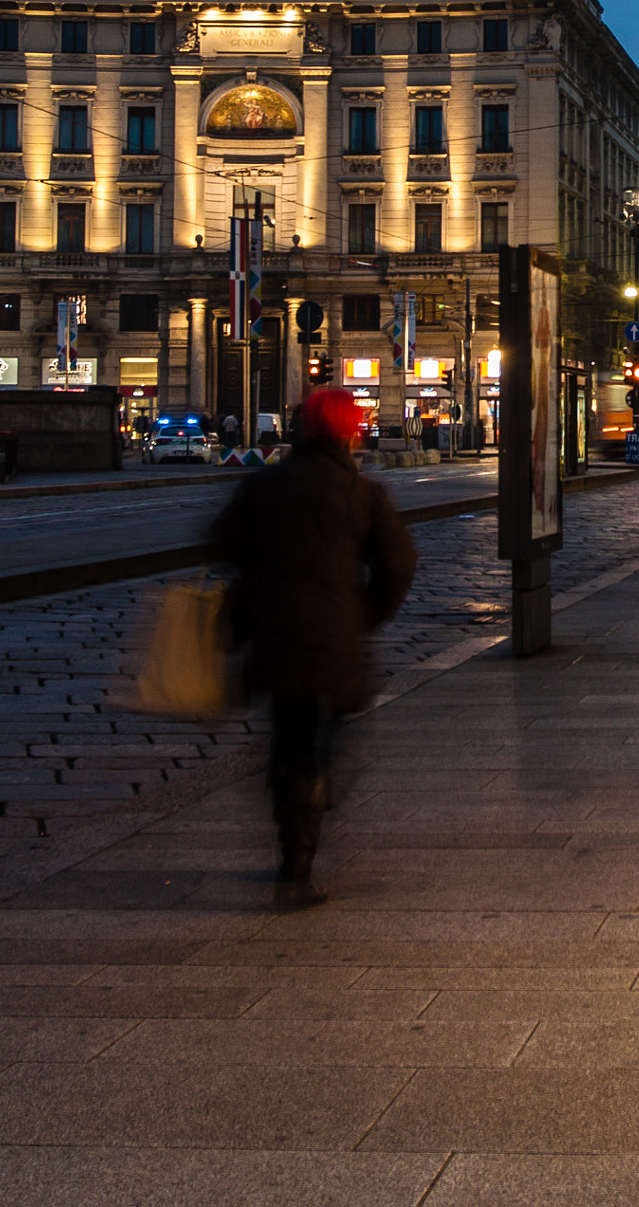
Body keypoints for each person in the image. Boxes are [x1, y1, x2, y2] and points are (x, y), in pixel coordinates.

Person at [213, 387, 417, 909]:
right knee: (324, 744)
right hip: (334, 640)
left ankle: (292, 834)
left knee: (289, 736)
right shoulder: (362, 493)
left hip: (275, 637)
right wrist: (363, 614)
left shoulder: (266, 485)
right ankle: (299, 857)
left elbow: (222, 544)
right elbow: (397, 566)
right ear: (349, 432)